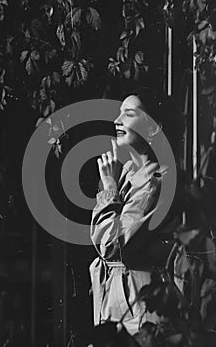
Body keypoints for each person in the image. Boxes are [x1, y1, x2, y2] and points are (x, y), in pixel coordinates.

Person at [89, 91, 172, 335]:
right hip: (117, 301)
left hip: (136, 309)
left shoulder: (154, 182)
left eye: (129, 113)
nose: (118, 120)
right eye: (119, 112)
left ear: (154, 129)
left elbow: (112, 245)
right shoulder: (126, 172)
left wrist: (110, 188)